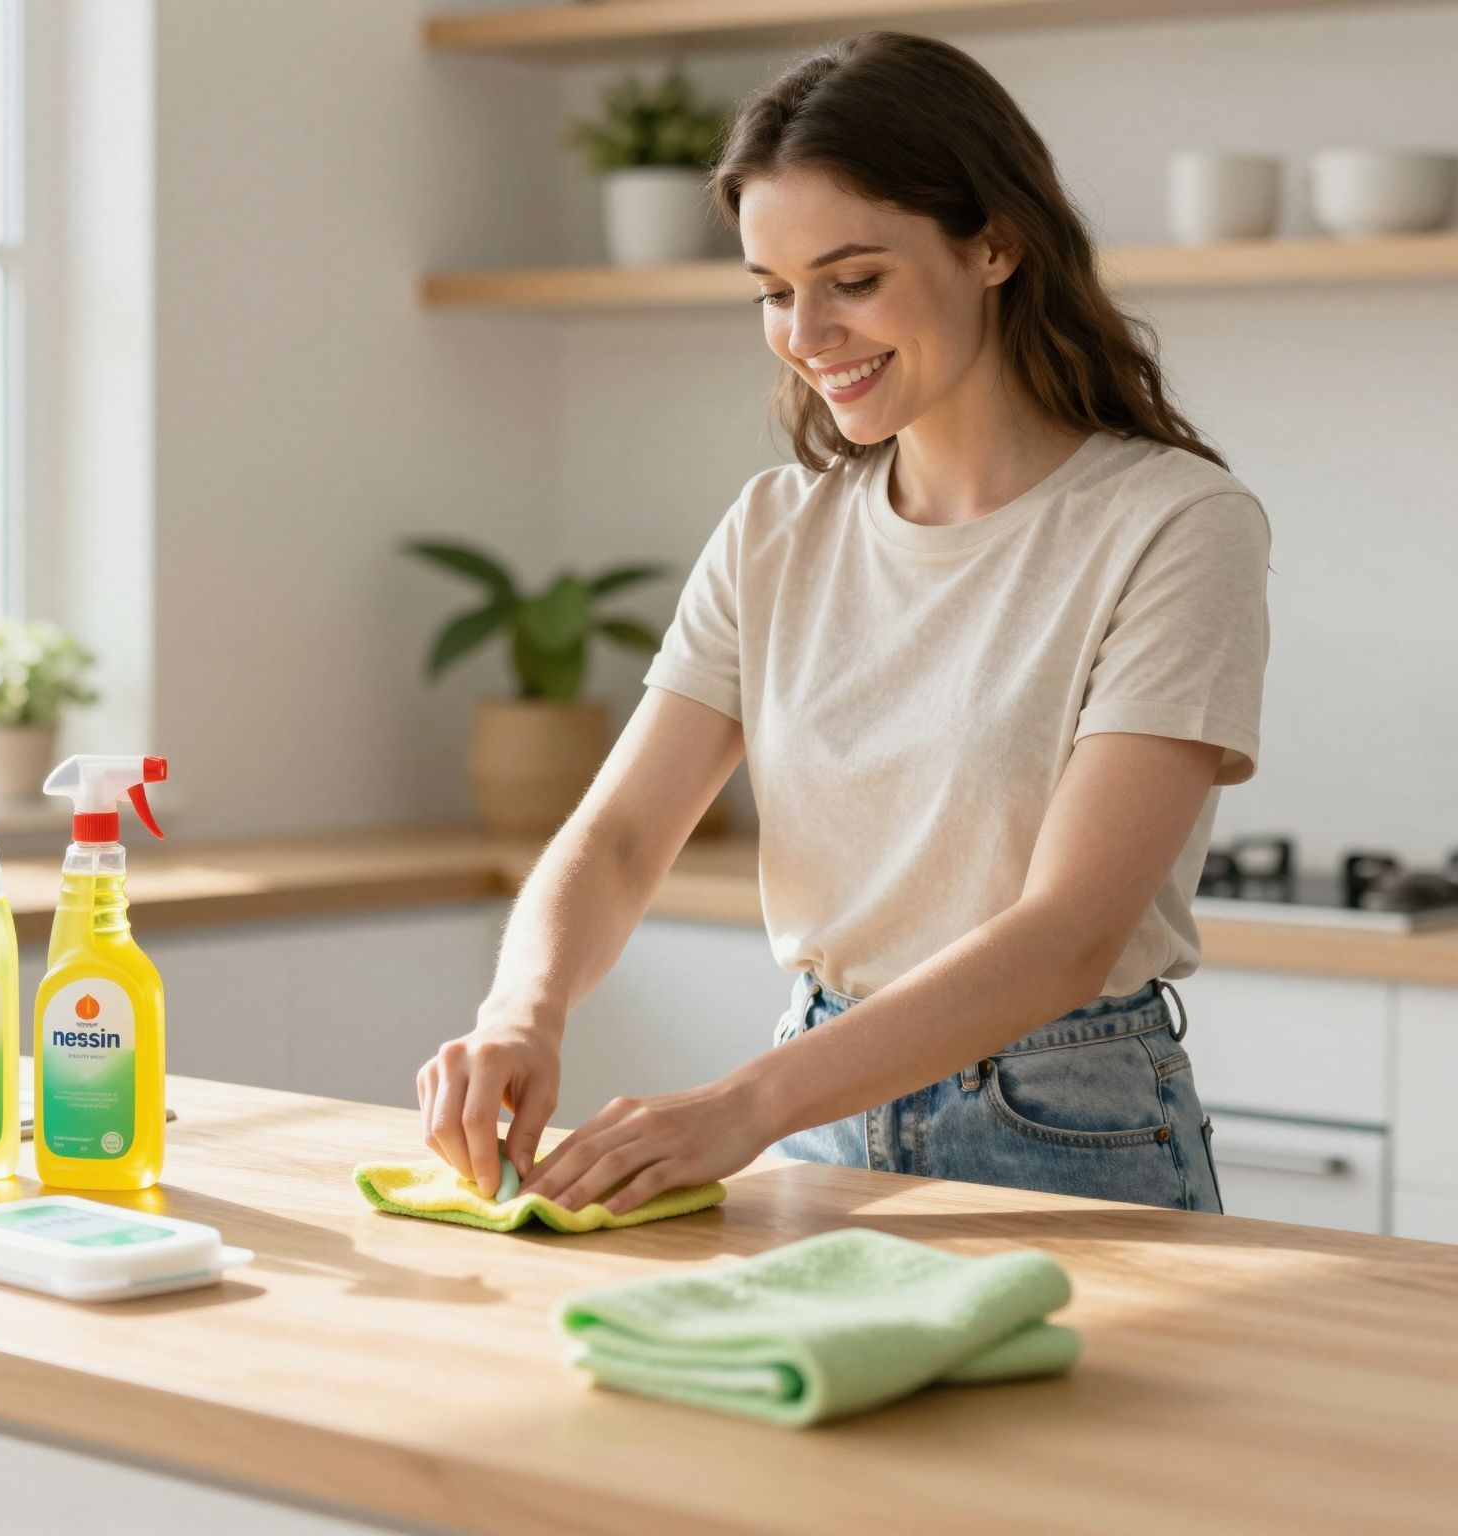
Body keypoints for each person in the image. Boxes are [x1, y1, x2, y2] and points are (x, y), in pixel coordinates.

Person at [416, 31, 1269, 1219]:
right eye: (773, 292)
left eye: (852, 279)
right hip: (819, 1114)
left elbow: (1069, 931)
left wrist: (742, 1106)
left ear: (994, 244)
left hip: (1064, 1128)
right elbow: (615, 840)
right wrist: (519, 1010)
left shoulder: (1172, 524)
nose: (805, 335)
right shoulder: (776, 529)